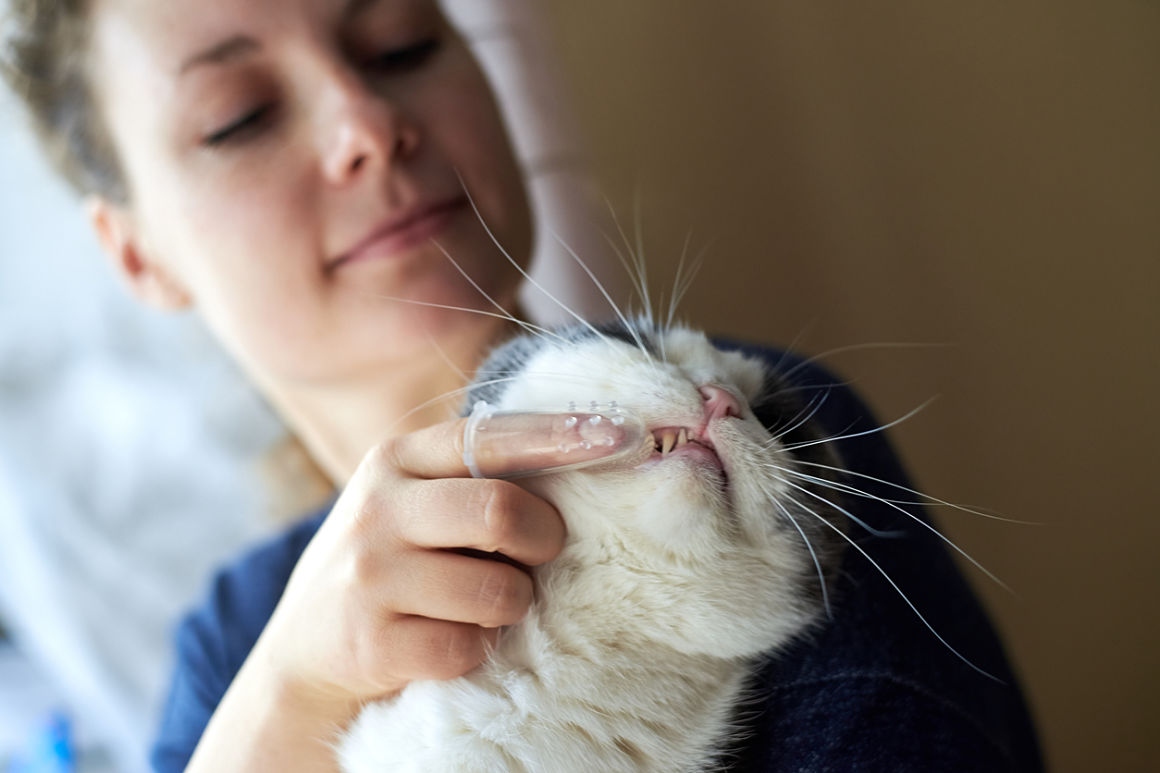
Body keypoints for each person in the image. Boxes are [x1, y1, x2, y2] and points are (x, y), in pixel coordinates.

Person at [2, 0, 1045, 770]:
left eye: (401, 43)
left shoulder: (767, 435)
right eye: (238, 116)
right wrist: (288, 695)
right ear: (137, 254)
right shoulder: (232, 640)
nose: (368, 124)